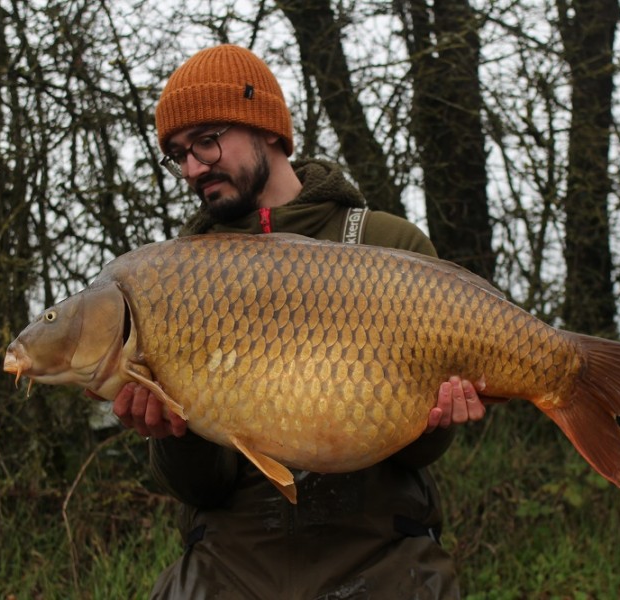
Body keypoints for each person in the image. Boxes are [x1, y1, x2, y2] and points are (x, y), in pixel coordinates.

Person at [114, 44, 489, 599]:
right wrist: (171, 435)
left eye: (207, 140)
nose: (193, 166)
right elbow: (202, 488)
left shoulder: (388, 245)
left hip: (381, 559)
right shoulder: (175, 279)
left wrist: (435, 422)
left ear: (266, 128)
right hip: (229, 567)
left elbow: (413, 459)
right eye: (177, 153)